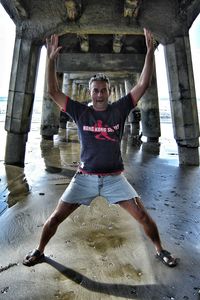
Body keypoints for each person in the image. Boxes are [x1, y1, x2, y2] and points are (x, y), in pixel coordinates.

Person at [23, 29, 177, 267]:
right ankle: (39, 250)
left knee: (143, 216)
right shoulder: (80, 112)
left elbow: (143, 83)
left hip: (115, 179)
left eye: (103, 90)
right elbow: (53, 92)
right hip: (84, 178)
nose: (99, 94)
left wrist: (149, 52)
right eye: (95, 90)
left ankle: (160, 250)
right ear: (91, 91)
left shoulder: (119, 108)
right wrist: (50, 60)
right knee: (55, 218)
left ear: (108, 92)